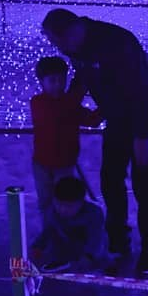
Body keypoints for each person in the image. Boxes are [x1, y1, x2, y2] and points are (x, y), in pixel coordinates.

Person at [41, 8, 148, 275]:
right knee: (110, 177)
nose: (60, 49)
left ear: (74, 30)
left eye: (59, 42)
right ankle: (118, 240)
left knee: (143, 182)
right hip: (117, 116)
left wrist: (142, 137)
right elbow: (85, 75)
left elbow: (141, 92)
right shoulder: (75, 48)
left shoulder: (118, 43)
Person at [30, 56, 102, 230]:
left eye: (61, 80)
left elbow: (92, 120)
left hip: (65, 163)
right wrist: (81, 86)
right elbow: (60, 111)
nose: (57, 85)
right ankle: (49, 233)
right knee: (46, 201)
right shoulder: (38, 103)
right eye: (52, 80)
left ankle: (65, 233)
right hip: (42, 163)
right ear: (42, 82)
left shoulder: (70, 104)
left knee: (66, 201)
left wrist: (106, 107)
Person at [30, 175, 109, 272]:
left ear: (81, 202)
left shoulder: (94, 214)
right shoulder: (52, 211)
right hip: (67, 253)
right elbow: (47, 231)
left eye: (69, 206)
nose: (63, 209)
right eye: (59, 204)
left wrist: (89, 256)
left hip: (93, 254)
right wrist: (38, 246)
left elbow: (96, 238)